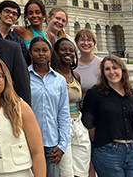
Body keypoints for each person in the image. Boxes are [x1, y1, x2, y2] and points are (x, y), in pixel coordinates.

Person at [82, 56, 133, 177]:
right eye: (107, 69)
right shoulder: (94, 94)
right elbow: (89, 123)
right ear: (103, 72)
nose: (111, 72)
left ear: (122, 70)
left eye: (115, 68)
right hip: (108, 152)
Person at [27, 36, 71, 177]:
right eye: (36, 50)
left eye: (44, 50)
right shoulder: (24, 77)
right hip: (29, 142)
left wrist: (62, 145)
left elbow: (63, 113)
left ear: (50, 53)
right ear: (30, 53)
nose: (41, 53)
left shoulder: (59, 81)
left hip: (52, 143)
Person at [51, 38, 91, 177]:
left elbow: (79, 103)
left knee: (81, 171)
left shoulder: (76, 76)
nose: (68, 53)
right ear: (55, 52)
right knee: (66, 172)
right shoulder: (52, 75)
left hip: (78, 126)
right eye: (63, 49)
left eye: (71, 50)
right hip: (60, 127)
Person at [74, 29, 102, 99]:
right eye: (82, 40)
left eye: (89, 40)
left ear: (94, 43)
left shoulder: (101, 64)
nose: (86, 43)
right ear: (76, 43)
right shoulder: (72, 65)